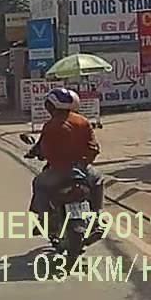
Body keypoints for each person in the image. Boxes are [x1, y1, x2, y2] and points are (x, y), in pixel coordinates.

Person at [29, 88, 104, 230]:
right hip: (82, 170)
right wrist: (84, 162)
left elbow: (44, 149)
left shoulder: (51, 125)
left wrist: (37, 153)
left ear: (52, 106)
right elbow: (94, 147)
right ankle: (98, 215)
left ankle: (44, 219)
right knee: (98, 179)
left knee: (39, 183)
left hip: (58, 171)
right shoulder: (83, 121)